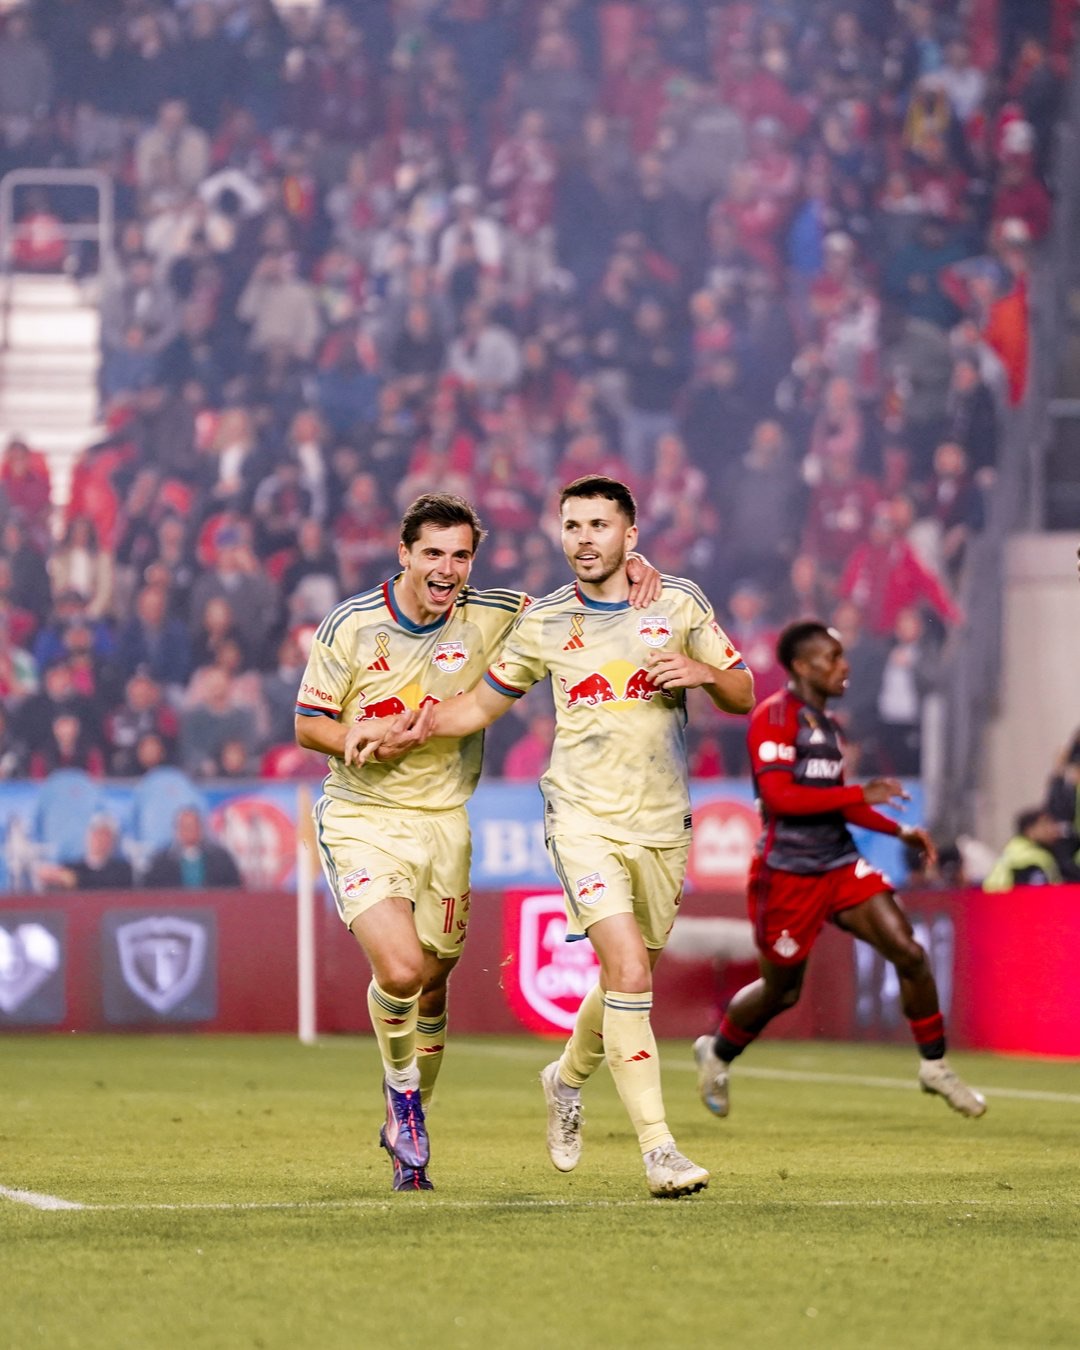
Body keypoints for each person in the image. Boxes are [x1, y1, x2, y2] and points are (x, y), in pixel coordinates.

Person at [383, 477, 753, 1197]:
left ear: (630, 537)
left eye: (599, 525)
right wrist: (415, 722)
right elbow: (480, 705)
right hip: (582, 820)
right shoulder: (546, 620)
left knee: (628, 975)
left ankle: (565, 1077)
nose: (584, 538)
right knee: (630, 971)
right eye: (573, 525)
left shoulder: (677, 602)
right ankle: (659, 1150)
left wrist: (704, 673)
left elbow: (744, 692)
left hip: (662, 825)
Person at [294, 492, 660, 1193]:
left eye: (460, 554)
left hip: (446, 823)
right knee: (400, 971)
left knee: (431, 985)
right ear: (404, 554)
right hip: (363, 815)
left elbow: (579, 602)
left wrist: (632, 563)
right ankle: (403, 1104)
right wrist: (353, 736)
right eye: (432, 552)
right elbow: (309, 723)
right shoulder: (351, 624)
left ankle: (407, 1107)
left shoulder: (497, 613)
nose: (447, 567)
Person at [692, 620, 986, 1122]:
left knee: (909, 951)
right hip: (787, 874)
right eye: (832, 658)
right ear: (803, 666)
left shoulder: (826, 725)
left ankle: (934, 1066)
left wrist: (899, 831)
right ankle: (717, 1052)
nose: (844, 666)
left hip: (839, 863)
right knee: (782, 991)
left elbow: (836, 802)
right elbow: (782, 798)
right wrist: (858, 793)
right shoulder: (774, 717)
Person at [143, 807, 242, 888]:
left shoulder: (221, 858)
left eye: (192, 826)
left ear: (200, 828)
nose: (188, 831)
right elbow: (150, 891)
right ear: (176, 830)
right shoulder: (161, 861)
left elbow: (234, 888)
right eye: (184, 826)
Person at [36, 815, 134, 891]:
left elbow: (102, 883)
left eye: (105, 836)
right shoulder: (72, 868)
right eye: (96, 835)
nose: (100, 840)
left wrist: (74, 879)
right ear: (88, 837)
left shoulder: (122, 871)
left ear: (113, 841)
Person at [982, 808, 1063, 891]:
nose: (1053, 829)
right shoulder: (1029, 858)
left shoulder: (1015, 848)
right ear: (1030, 830)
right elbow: (1034, 896)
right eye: (1045, 824)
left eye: (1054, 823)